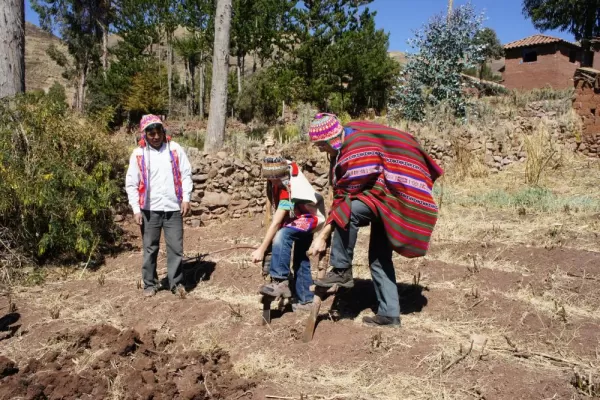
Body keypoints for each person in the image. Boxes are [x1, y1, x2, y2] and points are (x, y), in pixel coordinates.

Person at [307, 113, 443, 326]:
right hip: (378, 199)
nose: (319, 149)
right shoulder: (344, 143)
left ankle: (342, 270)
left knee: (347, 212)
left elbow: (345, 198)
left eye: (321, 145)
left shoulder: (357, 148)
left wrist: (323, 235)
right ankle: (390, 314)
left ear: (331, 139)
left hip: (388, 199)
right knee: (378, 257)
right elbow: (343, 190)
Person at [125, 114, 193, 297]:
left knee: (176, 248)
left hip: (173, 207)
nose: (155, 137)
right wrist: (136, 209)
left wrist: (186, 198)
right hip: (149, 209)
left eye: (158, 132)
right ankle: (150, 283)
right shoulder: (138, 154)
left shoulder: (175, 149)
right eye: (151, 134)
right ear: (144, 135)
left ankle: (176, 283)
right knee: (150, 247)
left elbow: (186, 174)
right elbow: (131, 183)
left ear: (164, 132)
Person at [252, 157, 325, 311]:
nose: (273, 183)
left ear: (282, 176)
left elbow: (276, 223)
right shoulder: (276, 180)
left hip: (307, 218)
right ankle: (306, 300)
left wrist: (262, 249)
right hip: (296, 219)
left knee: (282, 235)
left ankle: (280, 281)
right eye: (270, 180)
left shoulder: (289, 187)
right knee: (300, 258)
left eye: (276, 180)